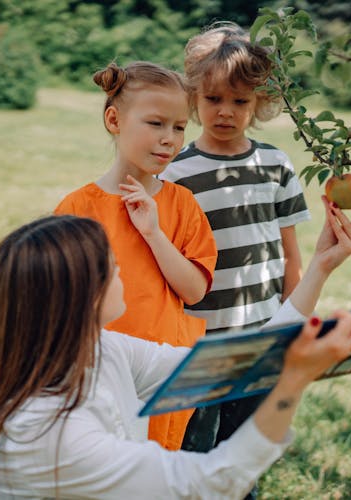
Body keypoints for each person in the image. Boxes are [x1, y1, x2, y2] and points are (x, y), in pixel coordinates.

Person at [0, 202, 351, 499]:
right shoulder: (46, 434)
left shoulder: (99, 349)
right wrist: (292, 384)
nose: (121, 272)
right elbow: (212, 483)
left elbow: (231, 365)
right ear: (82, 296)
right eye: (112, 265)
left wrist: (320, 267)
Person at [159, 22, 351, 460]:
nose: (226, 111)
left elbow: (289, 253)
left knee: (244, 454)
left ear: (259, 103)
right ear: (194, 96)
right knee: (193, 455)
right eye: (213, 99)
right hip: (198, 344)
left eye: (240, 101)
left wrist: (289, 329)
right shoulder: (174, 171)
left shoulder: (275, 164)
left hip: (262, 335)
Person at [54, 61, 217, 450]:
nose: (170, 139)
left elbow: (194, 291)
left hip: (162, 376)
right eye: (156, 123)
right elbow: (58, 306)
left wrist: (153, 233)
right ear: (114, 120)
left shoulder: (183, 204)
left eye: (179, 127)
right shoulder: (78, 208)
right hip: (97, 377)